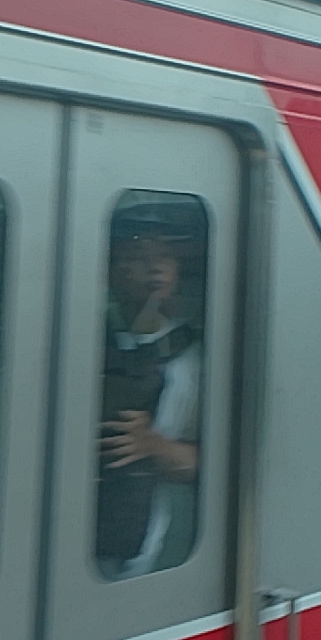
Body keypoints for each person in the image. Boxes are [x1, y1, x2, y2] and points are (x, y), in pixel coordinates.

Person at [95, 197, 204, 579]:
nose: (156, 266)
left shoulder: (193, 357)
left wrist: (153, 446)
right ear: (113, 271)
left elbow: (211, 465)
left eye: (166, 257)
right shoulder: (81, 335)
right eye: (139, 256)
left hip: (153, 547)